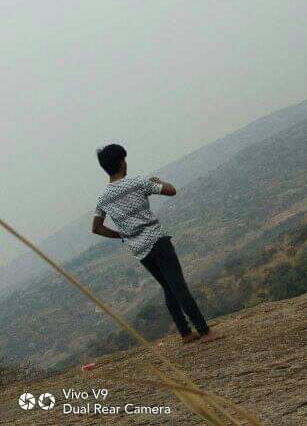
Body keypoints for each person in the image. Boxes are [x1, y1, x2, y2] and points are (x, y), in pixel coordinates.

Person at [92, 144, 222, 345]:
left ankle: (185, 333)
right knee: (179, 287)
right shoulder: (137, 182)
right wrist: (157, 182)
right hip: (157, 240)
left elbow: (97, 228)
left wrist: (123, 235)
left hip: (139, 250)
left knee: (168, 288)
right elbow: (171, 191)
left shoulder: (103, 199)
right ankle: (204, 332)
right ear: (121, 162)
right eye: (124, 160)